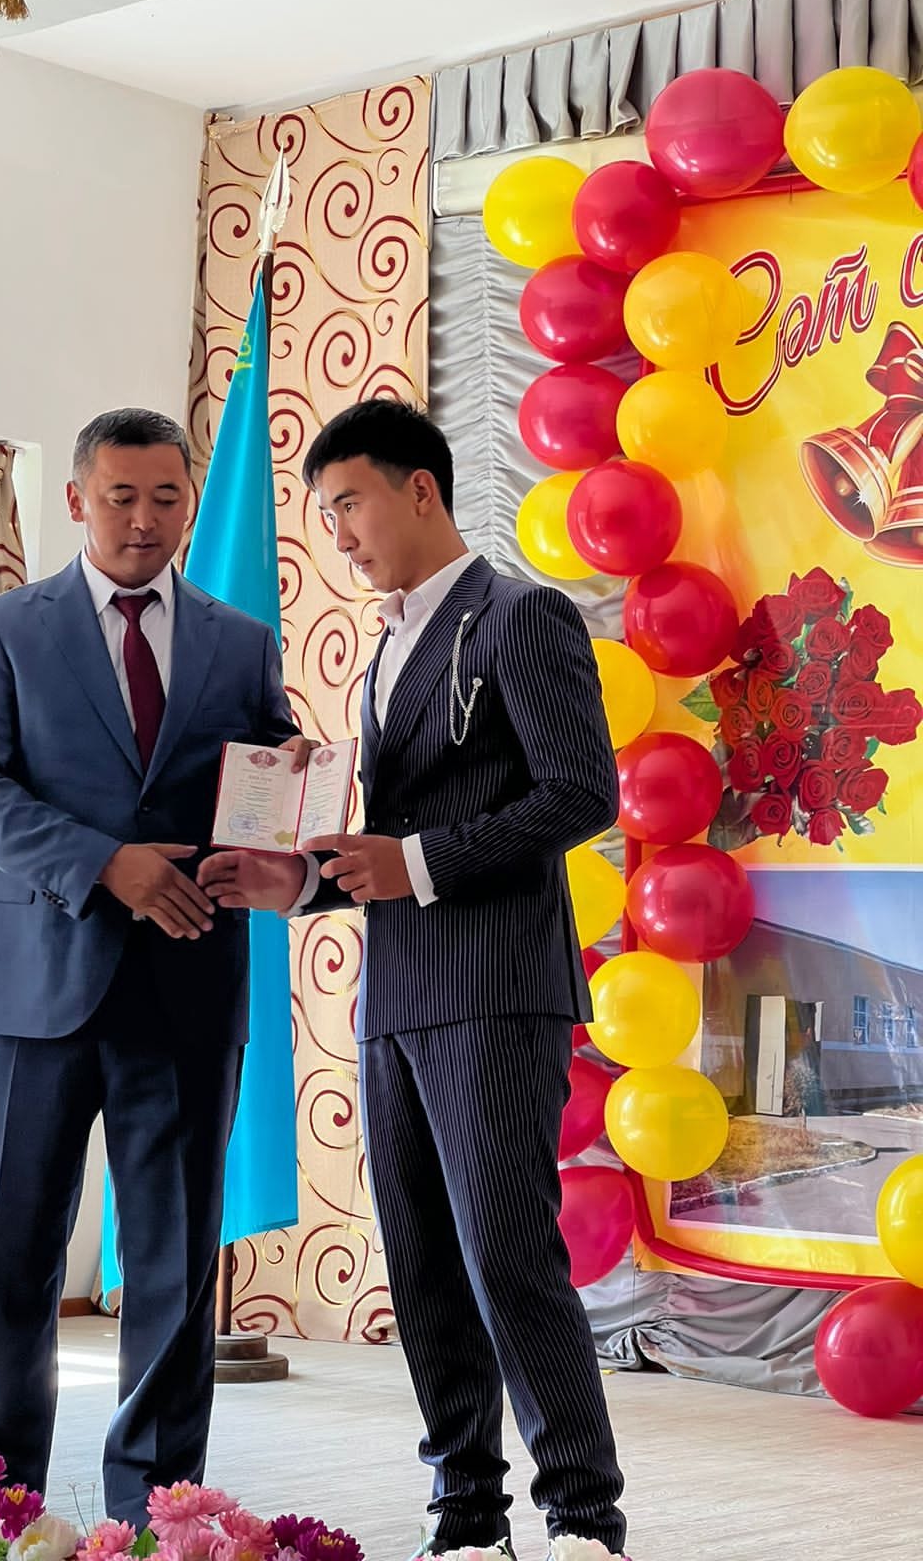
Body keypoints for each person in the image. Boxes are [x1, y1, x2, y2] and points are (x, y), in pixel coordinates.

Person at [198, 401, 629, 1561]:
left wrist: (417, 862)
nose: (338, 532)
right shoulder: (385, 647)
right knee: (425, 1268)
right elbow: (385, 845)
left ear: (421, 490)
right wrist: (300, 879)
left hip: (497, 987)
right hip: (393, 997)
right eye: (326, 511)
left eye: (349, 503)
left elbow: (581, 793)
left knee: (508, 1258)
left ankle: (584, 1519)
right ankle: (466, 1517)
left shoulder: (523, 616)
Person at [0, 408, 307, 1531]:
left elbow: (265, 772)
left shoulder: (240, 640)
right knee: (18, 1261)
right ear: (77, 501)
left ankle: (154, 1522)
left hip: (189, 980)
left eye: (166, 498)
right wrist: (107, 865)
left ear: (190, 501)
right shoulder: (5, 628)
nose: (145, 520)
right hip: (33, 985)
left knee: (173, 1269)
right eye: (121, 497)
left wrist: (291, 781)